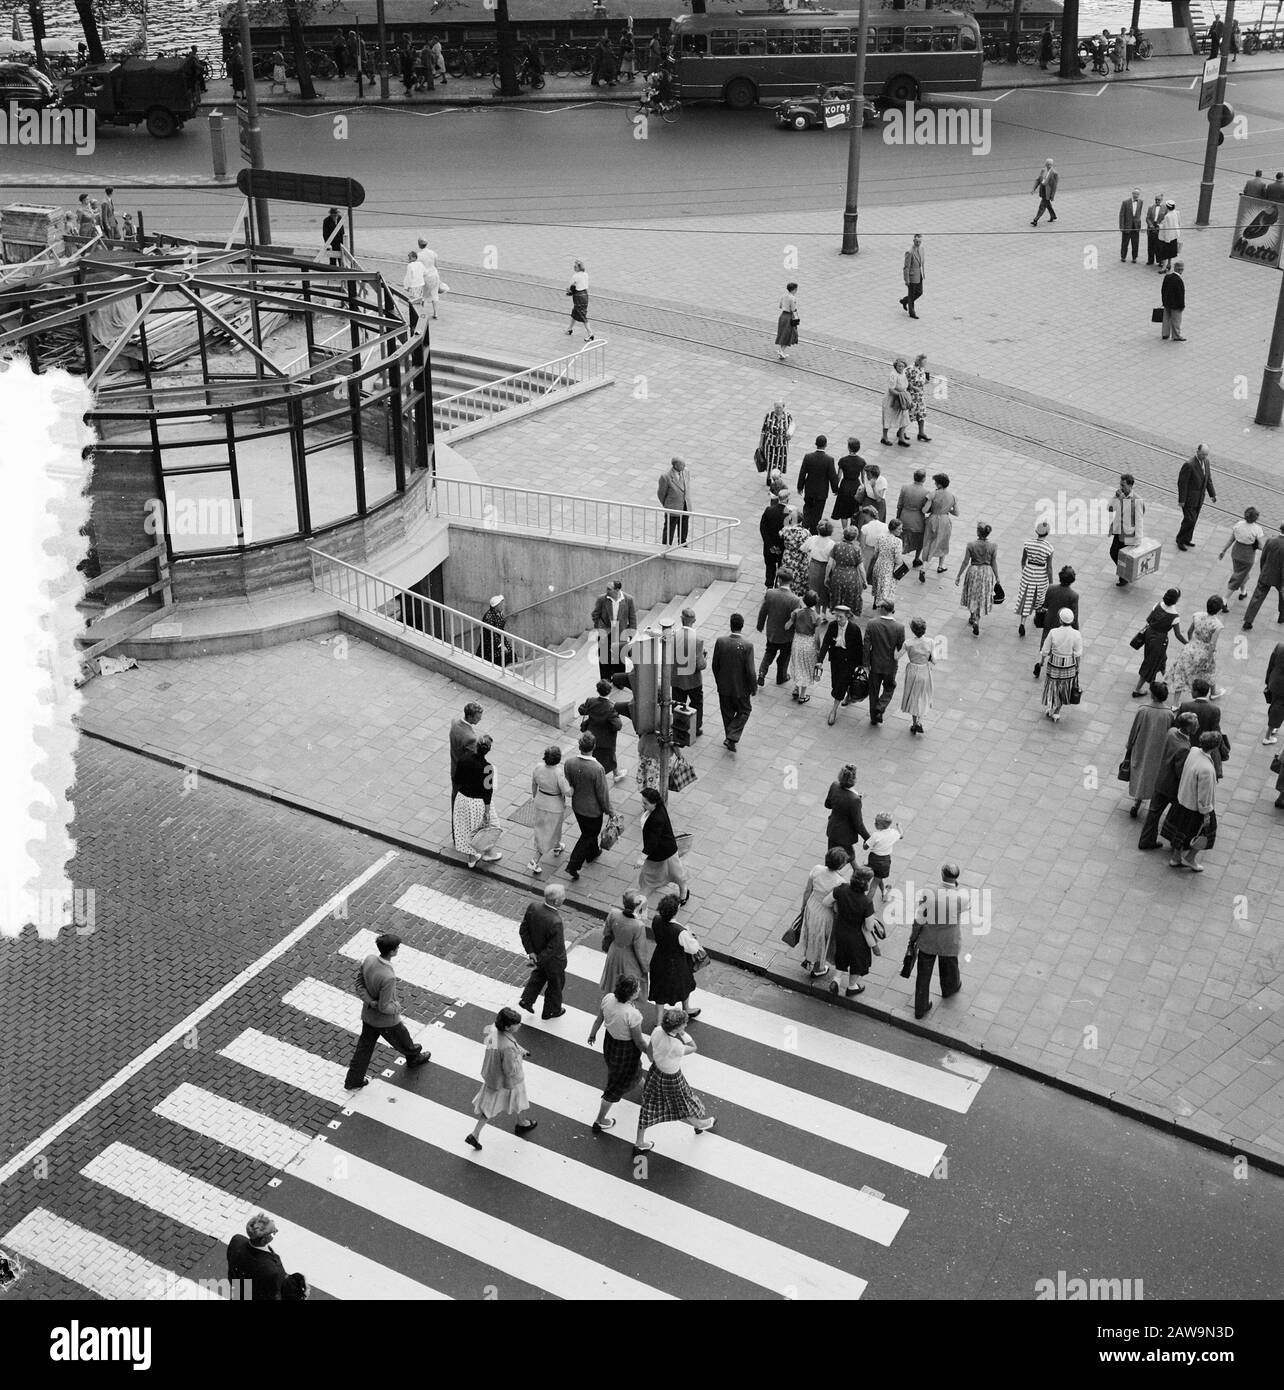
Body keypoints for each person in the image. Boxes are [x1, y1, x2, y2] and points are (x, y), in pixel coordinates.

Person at [343, 932, 432, 1089]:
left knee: (364, 1049)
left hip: (369, 1015)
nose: (398, 949)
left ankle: (353, 1080)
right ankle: (413, 1056)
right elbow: (384, 1007)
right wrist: (397, 1007)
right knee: (403, 1037)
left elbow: (359, 983)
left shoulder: (369, 959)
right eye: (397, 947)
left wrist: (370, 1002)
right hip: (385, 1020)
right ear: (391, 951)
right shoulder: (388, 977)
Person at [633, 1006, 714, 1153]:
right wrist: (683, 1034)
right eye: (684, 1024)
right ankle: (699, 1124)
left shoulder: (657, 1031)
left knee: (649, 1106)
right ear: (676, 1028)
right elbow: (694, 1047)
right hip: (672, 1077)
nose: (686, 1025)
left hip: (656, 1072)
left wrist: (654, 1060)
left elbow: (650, 1051)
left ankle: (639, 1142)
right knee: (683, 1102)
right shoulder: (676, 1045)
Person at [466, 1007, 537, 1148]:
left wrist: (520, 1050)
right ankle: (521, 1123)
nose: (519, 1025)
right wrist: (519, 1057)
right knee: (517, 1100)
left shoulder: (495, 1031)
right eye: (516, 1023)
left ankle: (475, 1134)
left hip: (493, 1077)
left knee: (489, 1108)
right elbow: (510, 1070)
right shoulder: (508, 1047)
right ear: (507, 1027)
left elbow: (508, 1044)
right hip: (509, 1082)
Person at [589, 975, 647, 1133]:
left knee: (634, 1071)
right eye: (637, 989)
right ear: (631, 994)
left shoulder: (608, 998)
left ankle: (646, 1091)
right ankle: (600, 1120)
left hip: (610, 1043)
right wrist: (651, 1053)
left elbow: (599, 1019)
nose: (640, 990)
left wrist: (592, 1034)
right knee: (615, 1086)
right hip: (626, 1050)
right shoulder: (632, 1014)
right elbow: (639, 1041)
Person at [908, 864, 966, 1019]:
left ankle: (920, 1007)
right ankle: (949, 988)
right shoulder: (962, 897)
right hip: (949, 940)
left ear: (942, 874)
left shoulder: (929, 892)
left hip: (928, 940)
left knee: (923, 974)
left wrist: (913, 938)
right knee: (950, 966)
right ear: (956, 878)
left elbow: (919, 919)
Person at [1139, 713, 1198, 849]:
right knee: (1179, 815)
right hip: (1171, 786)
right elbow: (1180, 772)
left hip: (1161, 779)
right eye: (1195, 725)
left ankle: (1146, 840)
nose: (1197, 727)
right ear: (1189, 728)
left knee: (1153, 813)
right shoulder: (1184, 747)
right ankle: (1175, 840)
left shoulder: (1171, 732)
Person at [1163, 732, 1220, 871]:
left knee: (1180, 831)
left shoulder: (1193, 751)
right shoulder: (1206, 768)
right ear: (1215, 746)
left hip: (1183, 800)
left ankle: (1176, 857)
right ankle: (1190, 858)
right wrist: (1206, 813)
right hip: (1195, 808)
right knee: (1207, 832)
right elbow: (1204, 794)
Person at [591, 893, 650, 1019]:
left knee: (613, 979)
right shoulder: (638, 925)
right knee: (629, 984)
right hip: (629, 957)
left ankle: (611, 1003)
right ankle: (624, 1012)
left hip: (614, 951)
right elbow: (640, 950)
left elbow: (606, 931)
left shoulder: (613, 913)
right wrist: (645, 968)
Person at [797, 847, 852, 978]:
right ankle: (818, 968)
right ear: (840, 865)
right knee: (821, 939)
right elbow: (836, 907)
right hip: (825, 914)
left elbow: (807, 890)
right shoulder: (840, 882)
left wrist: (803, 906)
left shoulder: (817, 869)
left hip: (812, 906)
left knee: (810, 933)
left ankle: (809, 958)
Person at [565, 733, 613, 881]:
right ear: (594, 747)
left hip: (578, 806)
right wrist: (609, 811)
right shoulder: (597, 768)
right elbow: (602, 793)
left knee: (587, 831)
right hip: (592, 811)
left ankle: (592, 853)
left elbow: (570, 781)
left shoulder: (569, 762)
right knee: (589, 835)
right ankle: (573, 864)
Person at [517, 883, 568, 1020]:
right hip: (553, 961)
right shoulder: (556, 921)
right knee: (555, 986)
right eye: (563, 897)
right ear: (556, 901)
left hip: (538, 955)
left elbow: (524, 930)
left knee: (538, 976)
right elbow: (554, 947)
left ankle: (527, 1000)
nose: (564, 898)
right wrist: (538, 960)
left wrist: (532, 953)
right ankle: (551, 1011)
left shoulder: (533, 907)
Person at [1124, 681, 1174, 819]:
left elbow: (1134, 730)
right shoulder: (1169, 714)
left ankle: (1137, 802)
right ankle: (1152, 803)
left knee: (1141, 774)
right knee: (1154, 776)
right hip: (1159, 751)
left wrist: (1129, 745)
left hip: (1142, 747)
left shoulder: (1143, 710)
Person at [826, 865, 878, 998]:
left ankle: (836, 980)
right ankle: (852, 986)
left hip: (841, 931)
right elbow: (869, 926)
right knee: (857, 962)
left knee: (841, 956)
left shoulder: (841, 889)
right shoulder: (866, 902)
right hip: (857, 937)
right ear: (866, 883)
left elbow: (826, 902)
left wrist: (837, 907)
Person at [454, 734, 502, 868]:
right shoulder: (487, 768)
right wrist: (486, 812)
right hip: (478, 802)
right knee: (489, 826)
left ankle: (471, 858)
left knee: (466, 828)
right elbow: (488, 792)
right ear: (488, 750)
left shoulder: (463, 759)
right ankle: (489, 853)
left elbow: (457, 779)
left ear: (476, 746)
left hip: (462, 799)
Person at [1167, 597, 1227, 703]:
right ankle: (1213, 693)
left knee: (1181, 673)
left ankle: (1175, 703)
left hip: (1190, 648)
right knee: (1209, 672)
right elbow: (1212, 645)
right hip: (1204, 652)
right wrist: (1208, 659)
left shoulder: (1197, 615)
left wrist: (1191, 643)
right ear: (1218, 610)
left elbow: (1190, 631)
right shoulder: (1217, 625)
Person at [647, 894, 699, 1016]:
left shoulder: (656, 920)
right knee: (684, 984)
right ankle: (686, 1008)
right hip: (676, 963)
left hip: (659, 959)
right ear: (675, 911)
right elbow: (693, 949)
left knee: (659, 988)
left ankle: (658, 1021)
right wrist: (691, 936)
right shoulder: (680, 932)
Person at [712, 611, 756, 751]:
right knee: (745, 710)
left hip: (724, 686)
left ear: (730, 625)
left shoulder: (720, 641)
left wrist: (719, 681)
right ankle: (731, 735)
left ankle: (730, 736)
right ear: (742, 626)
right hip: (741, 689)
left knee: (727, 713)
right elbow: (750, 671)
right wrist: (753, 687)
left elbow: (715, 665)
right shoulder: (747, 646)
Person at [637, 786, 689, 901]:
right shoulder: (659, 807)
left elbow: (652, 841)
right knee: (676, 873)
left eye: (645, 803)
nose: (643, 805)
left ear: (654, 803)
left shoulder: (657, 818)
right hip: (664, 851)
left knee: (675, 874)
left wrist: (641, 858)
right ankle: (683, 890)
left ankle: (639, 909)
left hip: (663, 852)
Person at [1132, 587, 1186, 696]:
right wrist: (1187, 643)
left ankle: (1164, 678)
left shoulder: (1157, 605)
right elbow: (1178, 634)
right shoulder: (1174, 616)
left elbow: (1149, 619)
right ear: (1176, 600)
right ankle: (1137, 689)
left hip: (1149, 634)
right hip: (1160, 640)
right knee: (1150, 662)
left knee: (1161, 658)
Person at [528, 745, 573, 876]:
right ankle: (535, 860)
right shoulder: (558, 773)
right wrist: (574, 787)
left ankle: (557, 846)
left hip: (540, 801)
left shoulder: (538, 767)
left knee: (542, 827)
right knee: (549, 832)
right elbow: (567, 792)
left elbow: (534, 783)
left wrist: (534, 796)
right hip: (555, 805)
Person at [817, 605, 864, 726]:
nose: (838, 619)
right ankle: (848, 695)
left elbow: (859, 648)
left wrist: (861, 664)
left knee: (840, 684)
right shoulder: (832, 626)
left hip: (849, 661)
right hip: (836, 658)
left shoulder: (854, 629)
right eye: (836, 616)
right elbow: (826, 642)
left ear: (847, 616)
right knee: (836, 682)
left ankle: (833, 710)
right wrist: (820, 660)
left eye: (840, 617)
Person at [226, 1213, 287, 1301]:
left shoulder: (237, 1240)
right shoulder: (272, 1269)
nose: (276, 1231)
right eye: (273, 1233)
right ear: (263, 1240)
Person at [757, 571, 802, 688]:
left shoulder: (770, 593)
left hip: (772, 632)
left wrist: (760, 625)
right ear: (791, 582)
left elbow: (763, 611)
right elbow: (795, 619)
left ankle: (762, 673)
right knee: (784, 656)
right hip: (786, 636)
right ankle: (781, 676)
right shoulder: (795, 599)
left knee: (769, 652)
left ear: (779, 580)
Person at [1037, 609, 1083, 722]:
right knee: (1065, 687)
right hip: (1069, 664)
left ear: (1060, 620)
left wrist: (1041, 662)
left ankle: (1051, 706)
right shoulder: (1076, 634)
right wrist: (1077, 667)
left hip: (1054, 662)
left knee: (1053, 685)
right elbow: (1077, 653)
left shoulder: (1053, 632)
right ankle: (1057, 711)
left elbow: (1045, 650)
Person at [956, 521, 999, 637]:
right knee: (982, 596)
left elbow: (965, 562)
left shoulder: (971, 545)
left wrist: (959, 575)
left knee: (972, 594)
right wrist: (997, 577)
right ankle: (977, 620)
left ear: (978, 532)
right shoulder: (993, 546)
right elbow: (994, 562)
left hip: (974, 571)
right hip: (987, 572)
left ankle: (972, 615)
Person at [865, 602, 906, 726]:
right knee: (889, 687)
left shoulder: (872, 624)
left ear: (883, 609)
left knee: (873, 690)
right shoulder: (899, 627)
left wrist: (865, 663)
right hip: (890, 665)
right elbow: (900, 647)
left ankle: (874, 716)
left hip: (875, 663)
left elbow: (866, 646)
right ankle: (881, 707)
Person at [580, 680, 626, 786]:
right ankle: (614, 774)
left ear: (597, 690)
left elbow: (582, 710)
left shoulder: (590, 700)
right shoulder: (611, 707)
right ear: (609, 691)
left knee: (593, 755)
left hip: (591, 735)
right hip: (606, 739)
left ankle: (615, 773)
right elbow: (618, 725)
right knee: (610, 756)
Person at [1014, 520, 1054, 638]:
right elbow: (1049, 567)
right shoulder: (1049, 548)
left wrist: (1025, 570)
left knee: (1027, 597)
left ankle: (1023, 622)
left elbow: (1023, 560)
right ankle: (1038, 616)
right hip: (1041, 574)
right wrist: (1051, 582)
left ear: (1036, 532)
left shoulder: (1028, 544)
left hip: (1028, 571)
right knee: (1039, 596)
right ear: (1047, 533)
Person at [591, 579, 636, 682]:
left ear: (617, 590)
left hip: (620, 632)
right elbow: (595, 615)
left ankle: (619, 681)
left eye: (609, 589)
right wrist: (601, 628)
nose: (606, 591)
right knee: (604, 657)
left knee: (619, 658)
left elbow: (632, 617)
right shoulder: (602, 599)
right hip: (605, 632)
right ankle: (605, 680)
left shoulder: (629, 599)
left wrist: (631, 634)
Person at [1242, 522, 1284, 630]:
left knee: (1257, 597)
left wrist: (1263, 571)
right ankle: (1282, 616)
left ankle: (1248, 620)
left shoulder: (1271, 541)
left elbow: (1263, 558)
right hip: (1281, 578)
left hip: (1267, 574)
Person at [1219, 506, 1265, 605]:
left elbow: (1231, 539)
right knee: (1238, 577)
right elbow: (1261, 546)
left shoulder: (1238, 524)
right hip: (1247, 556)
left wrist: (1223, 550)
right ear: (1256, 518)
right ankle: (1224, 600)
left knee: (1240, 573)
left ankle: (1243, 592)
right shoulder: (1257, 529)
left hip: (1236, 552)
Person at [672, 606, 706, 737]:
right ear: (694, 620)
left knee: (677, 705)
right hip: (693, 680)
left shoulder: (673, 635)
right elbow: (700, 665)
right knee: (697, 703)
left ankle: (678, 728)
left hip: (677, 678)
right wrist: (705, 658)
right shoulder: (697, 639)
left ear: (681, 619)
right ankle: (695, 728)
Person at [785, 589, 823, 704]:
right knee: (807, 667)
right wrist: (818, 649)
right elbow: (817, 636)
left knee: (797, 664)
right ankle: (802, 695)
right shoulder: (817, 617)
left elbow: (787, 626)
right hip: (808, 643)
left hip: (797, 641)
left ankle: (796, 688)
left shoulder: (797, 612)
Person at [1176, 445, 1216, 550]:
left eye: (1206, 455)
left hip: (1199, 498)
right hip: (1189, 499)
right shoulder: (1189, 465)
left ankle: (1187, 539)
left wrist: (1212, 494)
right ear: (1197, 452)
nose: (1204, 456)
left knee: (1194, 519)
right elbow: (1182, 483)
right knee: (1190, 520)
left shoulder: (1206, 462)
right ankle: (1180, 540)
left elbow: (1208, 479)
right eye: (1203, 454)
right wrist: (1182, 500)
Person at [901, 616, 935, 734]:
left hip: (912, 670)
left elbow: (896, 656)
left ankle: (915, 723)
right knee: (924, 695)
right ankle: (920, 721)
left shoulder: (908, 643)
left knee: (913, 696)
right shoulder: (930, 642)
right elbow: (934, 661)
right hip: (924, 670)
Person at [1108, 475, 1145, 585]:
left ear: (1130, 485)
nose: (1121, 487)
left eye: (1123, 485)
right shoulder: (1120, 496)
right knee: (1113, 553)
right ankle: (1124, 574)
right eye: (1120, 484)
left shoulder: (1137, 501)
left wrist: (1138, 539)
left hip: (1129, 535)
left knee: (1124, 556)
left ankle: (1124, 577)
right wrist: (1115, 498)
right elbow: (1110, 508)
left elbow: (1139, 521)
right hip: (1119, 532)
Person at [797, 435, 837, 534]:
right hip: (821, 492)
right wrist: (835, 489)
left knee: (807, 510)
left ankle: (804, 529)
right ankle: (814, 532)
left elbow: (802, 473)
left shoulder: (808, 457)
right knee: (817, 513)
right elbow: (832, 476)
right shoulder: (829, 460)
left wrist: (800, 487)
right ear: (826, 445)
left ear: (816, 444)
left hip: (809, 489)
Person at [920, 473, 958, 579]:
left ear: (940, 484)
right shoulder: (952, 496)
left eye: (936, 482)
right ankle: (940, 566)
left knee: (928, 542)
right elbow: (956, 513)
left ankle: (924, 567)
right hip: (945, 520)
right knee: (943, 542)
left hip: (933, 519)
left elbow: (924, 510)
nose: (935, 484)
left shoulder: (933, 494)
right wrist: (947, 509)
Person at [449, 701, 483, 812]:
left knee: (455, 795)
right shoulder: (471, 738)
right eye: (478, 717)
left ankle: (455, 822)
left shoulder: (454, 723)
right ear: (470, 717)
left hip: (454, 767)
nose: (480, 719)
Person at [826, 525, 866, 617]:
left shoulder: (837, 546)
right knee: (850, 596)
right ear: (855, 537)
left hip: (837, 575)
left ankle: (838, 614)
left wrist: (826, 577)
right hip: (852, 577)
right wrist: (865, 581)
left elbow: (829, 564)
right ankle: (848, 614)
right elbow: (861, 568)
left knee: (837, 595)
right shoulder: (857, 549)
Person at [870, 519, 905, 612]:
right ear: (893, 529)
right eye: (899, 529)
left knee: (878, 584)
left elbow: (876, 552)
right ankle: (886, 607)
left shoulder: (880, 537)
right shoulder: (898, 542)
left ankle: (875, 602)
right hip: (889, 567)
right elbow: (898, 559)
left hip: (878, 564)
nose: (901, 531)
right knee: (886, 587)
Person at [897, 468, 930, 569]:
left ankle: (897, 557)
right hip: (918, 519)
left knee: (901, 538)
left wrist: (898, 516)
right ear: (924, 479)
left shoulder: (905, 488)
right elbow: (926, 509)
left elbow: (899, 505)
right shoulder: (926, 492)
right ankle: (916, 558)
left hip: (904, 516)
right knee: (919, 539)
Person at [866, 812, 902, 902]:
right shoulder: (893, 833)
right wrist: (899, 826)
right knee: (878, 877)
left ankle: (866, 905)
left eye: (876, 823)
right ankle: (883, 892)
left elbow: (865, 847)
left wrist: (867, 842)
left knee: (874, 884)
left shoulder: (876, 835)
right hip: (885, 861)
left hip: (874, 859)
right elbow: (901, 835)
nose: (874, 823)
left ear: (881, 825)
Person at [757, 399, 794, 485]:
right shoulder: (769, 415)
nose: (778, 409)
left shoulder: (787, 416)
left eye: (780, 407)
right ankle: (769, 478)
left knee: (780, 461)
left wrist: (790, 435)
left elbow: (792, 426)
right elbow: (763, 430)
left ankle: (777, 478)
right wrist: (761, 443)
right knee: (770, 461)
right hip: (770, 443)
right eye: (776, 407)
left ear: (783, 408)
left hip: (782, 443)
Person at [657, 456, 691, 547]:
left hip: (685, 505)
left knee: (684, 525)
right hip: (673, 507)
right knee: (670, 527)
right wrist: (667, 505)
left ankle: (682, 542)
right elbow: (661, 493)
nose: (684, 466)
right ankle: (666, 545)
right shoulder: (666, 477)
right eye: (682, 465)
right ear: (675, 465)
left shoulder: (686, 472)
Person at [805, 519, 837, 613]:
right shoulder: (832, 544)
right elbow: (832, 561)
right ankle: (823, 613)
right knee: (824, 590)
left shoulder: (813, 538)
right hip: (825, 567)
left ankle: (816, 610)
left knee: (813, 588)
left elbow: (803, 548)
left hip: (814, 566)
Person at [779, 509, 811, 599]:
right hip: (800, 559)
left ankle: (783, 594)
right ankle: (795, 597)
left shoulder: (786, 530)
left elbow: (780, 534)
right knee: (798, 578)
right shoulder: (806, 532)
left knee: (786, 575)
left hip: (788, 556)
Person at [881, 358, 912, 448]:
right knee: (888, 418)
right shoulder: (893, 375)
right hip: (891, 400)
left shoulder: (903, 373)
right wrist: (902, 395)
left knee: (904, 418)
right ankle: (884, 437)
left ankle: (901, 438)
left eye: (902, 366)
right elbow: (891, 390)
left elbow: (906, 384)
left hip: (901, 400)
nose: (901, 367)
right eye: (899, 366)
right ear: (895, 366)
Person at [760, 489, 788, 588]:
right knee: (781, 567)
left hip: (769, 547)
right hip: (782, 548)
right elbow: (788, 533)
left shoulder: (769, 510)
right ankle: (778, 585)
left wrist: (770, 545)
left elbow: (763, 529)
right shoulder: (788, 515)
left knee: (770, 566)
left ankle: (769, 585)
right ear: (787, 500)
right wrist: (779, 547)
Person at [833, 439, 866, 524]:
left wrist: (836, 488)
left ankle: (845, 531)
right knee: (854, 509)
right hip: (856, 485)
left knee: (843, 512)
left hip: (845, 486)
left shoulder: (843, 460)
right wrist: (863, 487)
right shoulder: (862, 461)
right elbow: (863, 476)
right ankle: (852, 530)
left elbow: (839, 476)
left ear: (849, 448)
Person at [1042, 565, 1080, 638]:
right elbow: (1074, 618)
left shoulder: (1050, 588)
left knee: (1045, 646)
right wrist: (1077, 632)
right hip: (1063, 627)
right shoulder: (1073, 595)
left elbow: (1045, 605)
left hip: (1049, 623)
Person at [476, 595, 513, 666]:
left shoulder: (498, 613)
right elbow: (491, 633)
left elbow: (500, 628)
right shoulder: (489, 617)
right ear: (496, 606)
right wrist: (501, 645)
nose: (503, 606)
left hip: (498, 639)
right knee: (491, 660)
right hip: (490, 643)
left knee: (508, 653)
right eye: (501, 604)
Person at [905, 353, 931, 442]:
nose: (925, 363)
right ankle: (901, 432)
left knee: (921, 413)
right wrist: (912, 387)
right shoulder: (910, 369)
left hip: (920, 396)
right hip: (911, 395)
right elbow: (903, 381)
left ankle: (921, 433)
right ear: (919, 361)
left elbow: (922, 381)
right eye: (924, 362)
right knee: (908, 414)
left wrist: (926, 381)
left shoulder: (922, 368)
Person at [415, 240, 443, 319]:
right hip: (434, 275)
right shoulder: (432, 253)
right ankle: (435, 313)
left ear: (419, 245)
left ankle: (421, 313)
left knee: (422, 295)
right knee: (435, 294)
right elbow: (436, 265)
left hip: (425, 277)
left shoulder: (419, 255)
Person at [1263, 642, 1284, 745]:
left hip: (1274, 681)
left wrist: (1267, 680)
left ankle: (1274, 727)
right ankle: (1267, 736)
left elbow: (1271, 664)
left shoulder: (1280, 646)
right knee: (1278, 710)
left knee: (1275, 706)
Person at [567, 260, 593, 340]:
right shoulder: (586, 274)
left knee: (582, 316)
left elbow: (570, 287)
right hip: (585, 295)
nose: (574, 268)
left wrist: (568, 291)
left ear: (579, 268)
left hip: (578, 297)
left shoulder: (575, 276)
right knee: (575, 312)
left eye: (575, 266)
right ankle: (569, 329)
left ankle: (590, 334)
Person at [900, 233, 925, 318]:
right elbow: (906, 267)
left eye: (920, 241)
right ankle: (912, 313)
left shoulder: (921, 249)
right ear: (913, 241)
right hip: (912, 276)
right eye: (917, 241)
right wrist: (906, 280)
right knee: (911, 294)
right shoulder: (909, 252)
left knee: (920, 292)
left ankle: (905, 300)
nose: (918, 243)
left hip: (919, 274)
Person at [775, 280, 800, 362]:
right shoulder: (793, 298)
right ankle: (781, 351)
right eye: (796, 289)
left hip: (782, 316)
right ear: (793, 290)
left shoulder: (783, 296)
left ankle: (782, 351)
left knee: (782, 333)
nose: (796, 291)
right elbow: (793, 309)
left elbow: (780, 306)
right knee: (788, 334)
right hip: (789, 317)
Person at [1119, 188, 1143, 263]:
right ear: (1132, 194)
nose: (1136, 195)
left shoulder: (1141, 202)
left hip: (1136, 227)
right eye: (1135, 194)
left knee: (1135, 243)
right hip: (1127, 226)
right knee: (1125, 243)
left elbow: (1139, 213)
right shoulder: (1125, 202)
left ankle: (1134, 257)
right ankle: (1123, 257)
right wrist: (1121, 226)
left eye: (1137, 194)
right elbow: (1122, 215)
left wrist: (1139, 224)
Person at [1031, 159, 1058, 226]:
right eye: (1047, 164)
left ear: (1052, 165)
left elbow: (1054, 186)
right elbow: (1038, 180)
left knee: (1042, 206)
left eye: (1050, 164)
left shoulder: (1055, 173)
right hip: (1042, 190)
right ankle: (1053, 216)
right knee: (1048, 205)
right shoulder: (1043, 170)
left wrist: (1052, 195)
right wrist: (1033, 189)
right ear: (1045, 164)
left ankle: (1035, 220)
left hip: (1048, 193)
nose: (1049, 166)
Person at [1157, 206, 1181, 277]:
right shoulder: (1177, 213)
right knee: (1171, 252)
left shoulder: (1167, 216)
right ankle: (1169, 264)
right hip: (1174, 236)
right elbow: (1179, 223)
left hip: (1167, 238)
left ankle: (1164, 268)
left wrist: (1159, 226)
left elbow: (1165, 227)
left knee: (1165, 253)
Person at [1145, 192, 1166, 266]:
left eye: (1159, 200)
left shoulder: (1164, 208)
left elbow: (1165, 219)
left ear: (1161, 200)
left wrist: (1160, 225)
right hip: (1151, 227)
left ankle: (1160, 261)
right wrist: (1150, 225)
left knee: (1159, 246)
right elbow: (1147, 218)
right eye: (1156, 200)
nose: (1157, 201)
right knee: (1150, 245)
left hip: (1159, 227)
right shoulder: (1151, 207)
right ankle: (1150, 260)